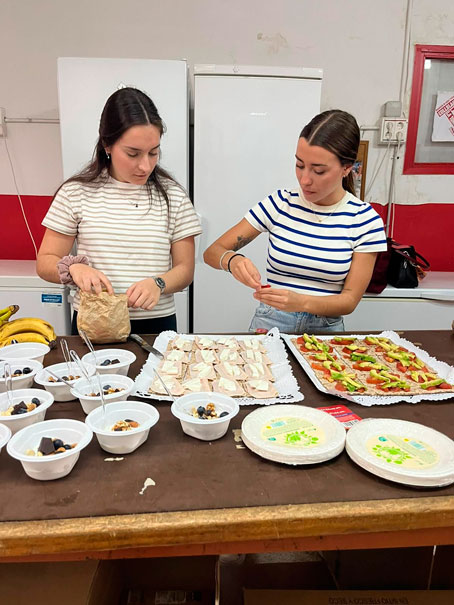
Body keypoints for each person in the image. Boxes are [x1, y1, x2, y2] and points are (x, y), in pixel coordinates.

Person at [203, 109, 387, 333]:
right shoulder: (280, 203)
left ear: (347, 168)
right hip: (270, 324)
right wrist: (232, 260)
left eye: (318, 171)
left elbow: (349, 301)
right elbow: (212, 252)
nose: (305, 179)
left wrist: (301, 302)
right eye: (300, 165)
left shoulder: (365, 221)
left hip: (325, 331)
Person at [37, 87, 202, 334]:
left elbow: (185, 270)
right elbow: (45, 262)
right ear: (107, 145)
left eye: (153, 152)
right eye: (133, 153)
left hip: (155, 324)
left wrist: (159, 283)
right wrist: (74, 268)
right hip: (94, 323)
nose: (145, 165)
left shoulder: (173, 197)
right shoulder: (75, 193)